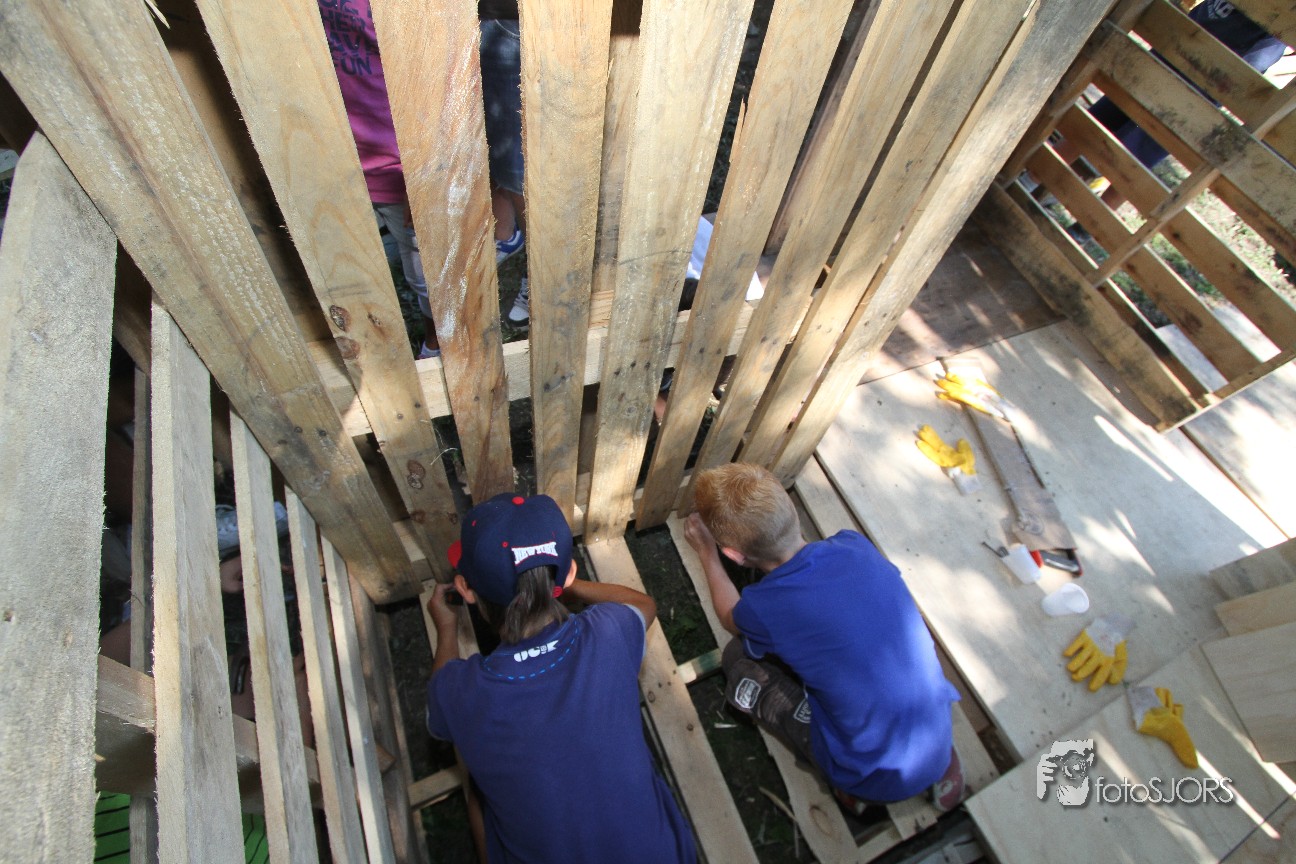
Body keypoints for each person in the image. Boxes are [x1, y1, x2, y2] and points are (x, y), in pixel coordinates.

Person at [425, 493, 697, 863]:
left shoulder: (461, 693)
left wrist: (446, 629)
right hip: (663, 855)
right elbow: (643, 605)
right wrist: (569, 585)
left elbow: (438, 722)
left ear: (465, 589)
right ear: (567, 573)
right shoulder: (608, 633)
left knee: (477, 791)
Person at [683, 463, 965, 812]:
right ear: (791, 508)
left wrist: (707, 554)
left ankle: (849, 788)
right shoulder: (854, 544)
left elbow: (730, 617)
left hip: (870, 774)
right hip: (935, 736)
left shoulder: (765, 607)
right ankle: (937, 768)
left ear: (735, 556)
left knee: (738, 660)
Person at [1058, 0, 1288, 210]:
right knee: (1100, 121)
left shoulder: (1277, 31)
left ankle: (1086, 226)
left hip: (1191, 98)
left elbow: (1248, 71)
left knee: (1134, 159)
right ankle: (1044, 175)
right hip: (1168, 60)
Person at [317, 0, 440, 358]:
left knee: (424, 273)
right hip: (327, 156)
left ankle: (436, 341)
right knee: (339, 266)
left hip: (400, 170)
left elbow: (440, 77)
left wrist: (424, 175)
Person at [479, 2, 530, 324]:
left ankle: (541, 273)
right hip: (491, 15)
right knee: (501, 157)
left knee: (521, 172)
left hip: (518, 19)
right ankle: (510, 237)